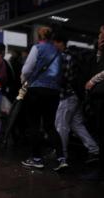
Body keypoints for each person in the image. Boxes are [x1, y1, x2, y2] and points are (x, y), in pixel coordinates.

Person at [20, 26, 67, 171]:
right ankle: (61, 158)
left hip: (36, 90)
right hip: (53, 92)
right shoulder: (58, 52)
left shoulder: (37, 48)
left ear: (39, 36)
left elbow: (26, 70)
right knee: (50, 125)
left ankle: (36, 159)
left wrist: (23, 80)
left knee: (34, 125)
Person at [52, 32, 99, 164]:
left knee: (61, 125)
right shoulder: (72, 55)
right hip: (76, 95)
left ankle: (62, 155)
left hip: (66, 96)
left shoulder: (65, 57)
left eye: (54, 43)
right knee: (76, 124)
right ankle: (94, 149)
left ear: (59, 42)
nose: (53, 45)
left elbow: (64, 78)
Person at [84, 25, 104, 180]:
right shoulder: (98, 54)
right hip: (97, 100)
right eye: (100, 34)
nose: (101, 37)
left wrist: (93, 80)